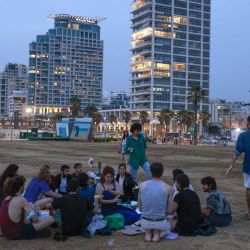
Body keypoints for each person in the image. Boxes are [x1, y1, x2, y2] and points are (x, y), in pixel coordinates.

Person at [0, 176, 54, 240]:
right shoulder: (20, 199)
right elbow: (35, 219)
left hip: (5, 232)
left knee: (31, 211)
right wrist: (33, 209)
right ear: (20, 188)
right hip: (15, 234)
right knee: (51, 219)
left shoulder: (6, 198)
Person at [138, 162, 172, 242]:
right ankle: (157, 232)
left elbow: (139, 207)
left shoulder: (142, 185)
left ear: (150, 171)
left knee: (147, 226)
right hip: (160, 222)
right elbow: (170, 210)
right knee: (164, 226)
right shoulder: (168, 187)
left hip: (145, 221)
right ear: (161, 172)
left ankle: (148, 231)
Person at [226, 116, 250, 219]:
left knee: (249, 190)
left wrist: (231, 165)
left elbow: (237, 152)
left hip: (248, 167)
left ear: (248, 124)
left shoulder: (244, 136)